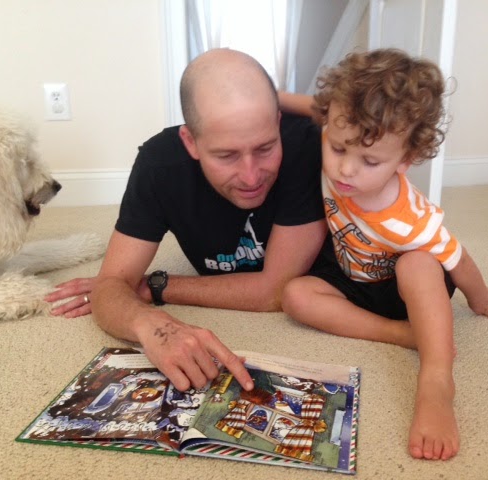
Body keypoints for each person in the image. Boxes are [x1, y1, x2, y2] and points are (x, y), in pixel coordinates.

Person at [278, 48, 488, 461]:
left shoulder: (410, 219)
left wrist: (480, 298)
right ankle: (402, 334)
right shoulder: (340, 129)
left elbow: (458, 258)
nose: (345, 170)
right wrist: (271, 96)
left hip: (405, 287)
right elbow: (316, 108)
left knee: (418, 263)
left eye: (370, 161)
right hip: (352, 273)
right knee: (294, 295)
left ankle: (436, 380)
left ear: (406, 160)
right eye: (338, 149)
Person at [47, 48, 327, 394]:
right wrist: (151, 324)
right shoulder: (159, 165)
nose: (251, 176)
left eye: (265, 148)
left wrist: (156, 286)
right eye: (226, 155)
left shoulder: (305, 146)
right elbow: (110, 285)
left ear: (278, 123)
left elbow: (274, 291)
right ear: (190, 141)